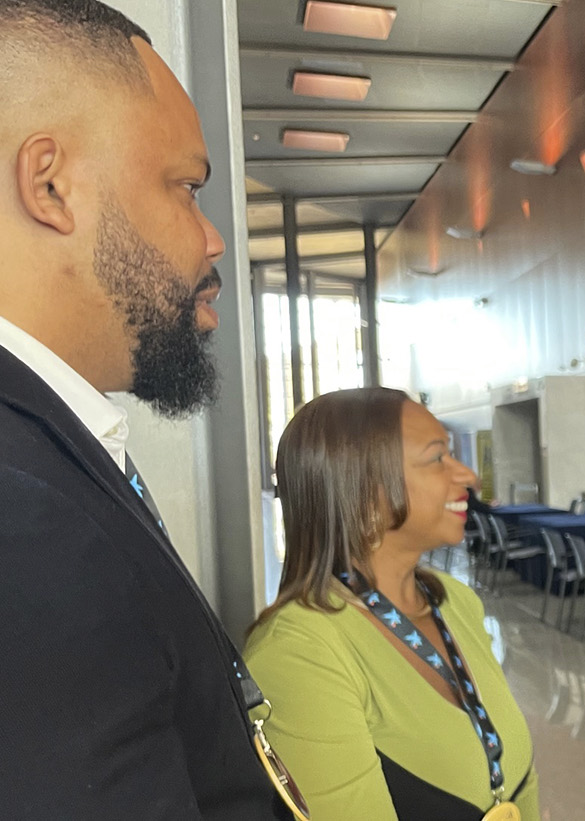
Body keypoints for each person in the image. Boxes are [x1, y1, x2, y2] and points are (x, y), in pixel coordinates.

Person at [0, 1, 290, 816]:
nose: (214, 237)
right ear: (50, 184)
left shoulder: (50, 453)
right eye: (187, 187)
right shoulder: (24, 518)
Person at [246, 388, 540, 821]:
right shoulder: (299, 653)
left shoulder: (453, 600)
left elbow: (520, 777)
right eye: (437, 458)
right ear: (364, 489)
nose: (468, 477)